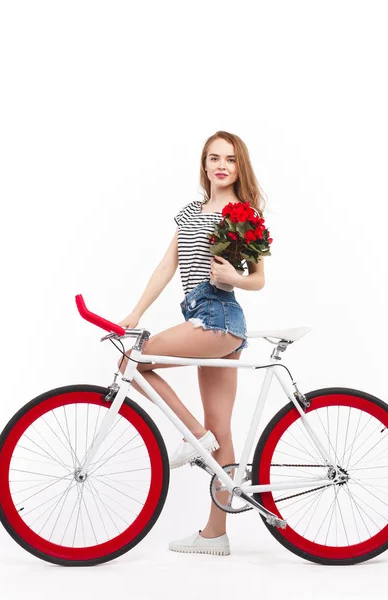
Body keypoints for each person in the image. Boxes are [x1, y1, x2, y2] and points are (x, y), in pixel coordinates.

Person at [117, 130, 267, 556]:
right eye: (214, 158)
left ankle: (195, 436)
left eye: (230, 159)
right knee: (221, 431)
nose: (221, 165)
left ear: (240, 167)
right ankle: (215, 534)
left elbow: (258, 278)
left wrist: (235, 278)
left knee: (133, 361)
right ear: (204, 164)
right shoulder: (189, 212)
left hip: (220, 316)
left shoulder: (242, 213)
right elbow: (169, 264)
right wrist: (136, 312)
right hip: (204, 317)